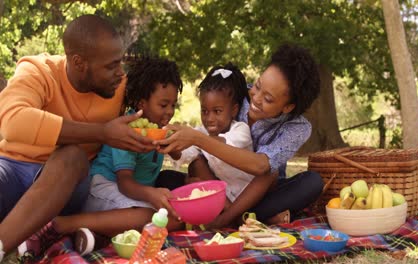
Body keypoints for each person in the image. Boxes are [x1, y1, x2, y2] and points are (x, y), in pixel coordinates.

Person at [0, 15, 157, 260]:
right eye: (111, 66)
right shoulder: (39, 71)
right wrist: (102, 133)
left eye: (121, 63)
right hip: (12, 169)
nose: (120, 73)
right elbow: (12, 122)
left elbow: (156, 104)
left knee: (73, 155)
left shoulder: (120, 86)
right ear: (79, 62)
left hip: (67, 182)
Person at [155, 44, 325, 228]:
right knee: (167, 178)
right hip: (219, 185)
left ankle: (228, 217)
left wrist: (198, 138)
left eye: (268, 99)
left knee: (307, 181)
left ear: (288, 107)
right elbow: (202, 138)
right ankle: (249, 217)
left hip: (261, 193)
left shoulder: (297, 127)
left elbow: (261, 166)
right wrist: (176, 145)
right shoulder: (235, 94)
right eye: (258, 86)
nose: (256, 98)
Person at [173, 63, 255, 205]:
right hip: (223, 194)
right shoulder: (200, 133)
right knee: (195, 164)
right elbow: (185, 154)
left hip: (247, 194)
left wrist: (195, 138)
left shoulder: (241, 130)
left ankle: (233, 215)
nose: (209, 118)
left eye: (217, 111)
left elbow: (222, 144)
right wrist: (171, 145)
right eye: (204, 111)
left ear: (234, 110)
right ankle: (226, 212)